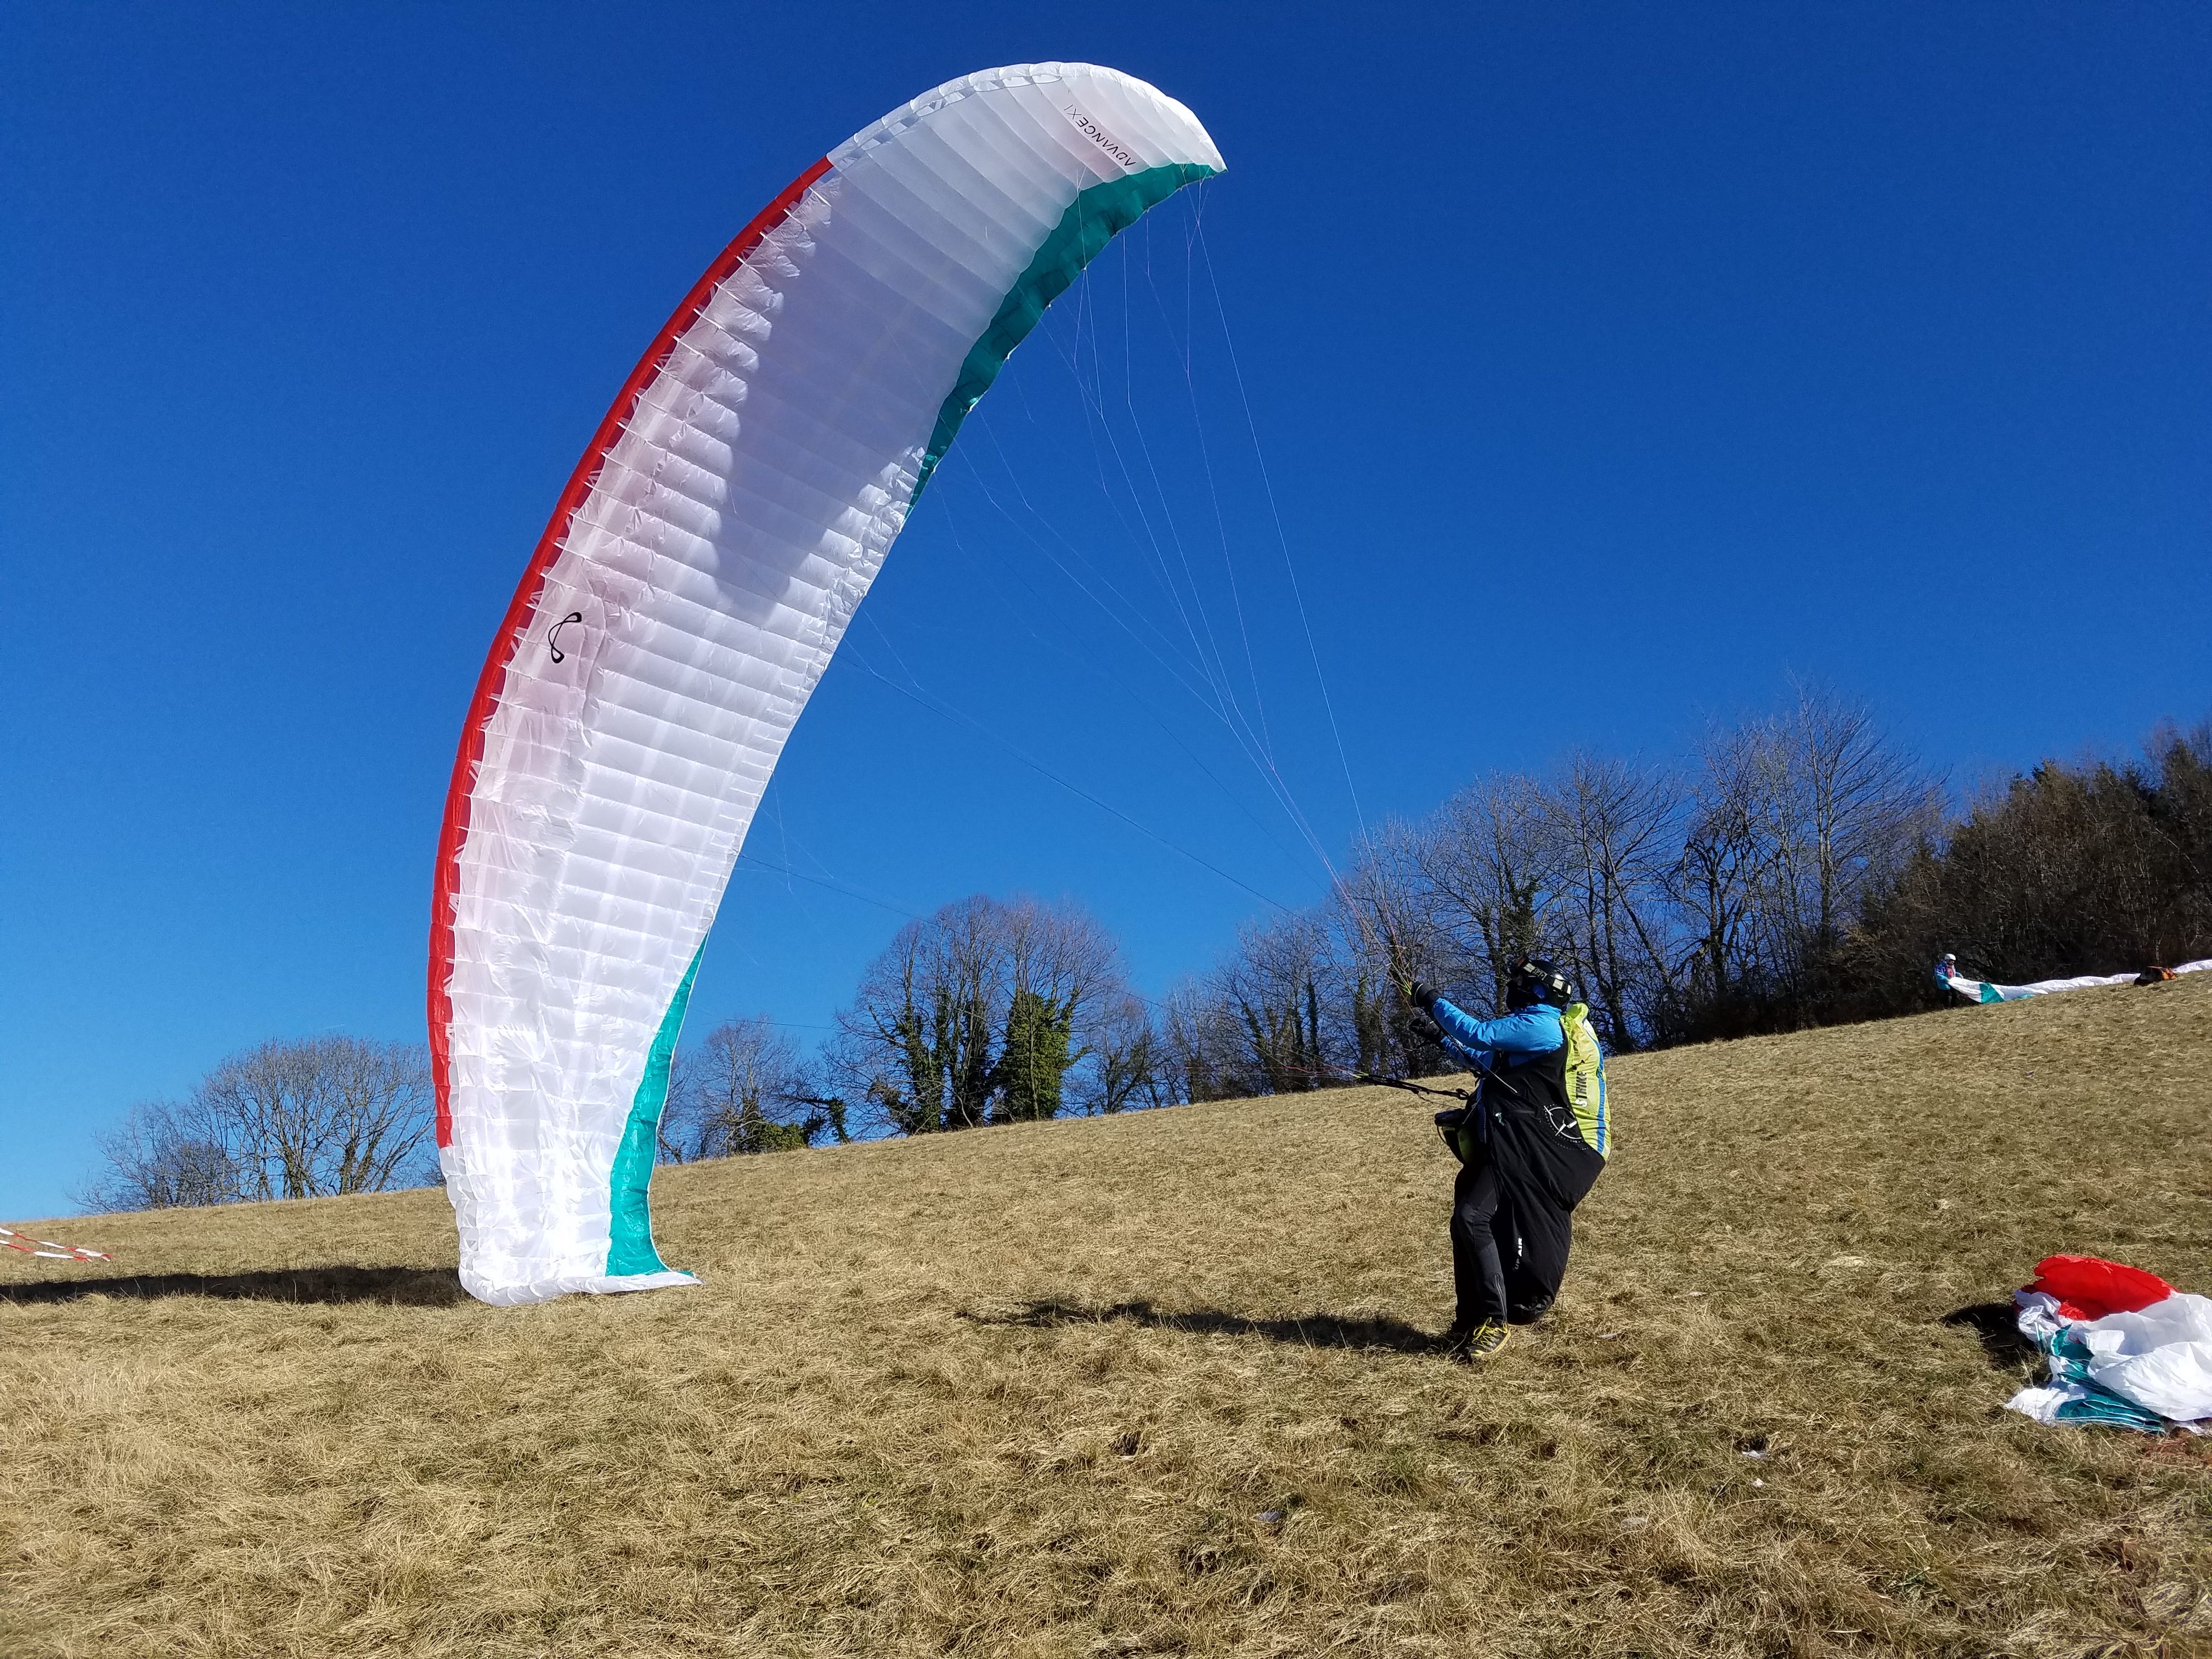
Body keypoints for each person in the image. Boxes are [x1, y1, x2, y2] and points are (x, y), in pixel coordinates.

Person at [1399, 958, 1609, 1363]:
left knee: (1471, 1218)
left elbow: (1478, 1034)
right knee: (1465, 1219)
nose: (1513, 987)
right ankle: (1468, 1321)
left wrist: (1430, 999)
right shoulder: (1533, 1033)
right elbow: (1483, 1060)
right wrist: (1438, 1037)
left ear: (1539, 990)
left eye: (1519, 982)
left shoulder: (1543, 1025)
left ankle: (1493, 1323)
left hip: (1527, 1150)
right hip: (1510, 1144)